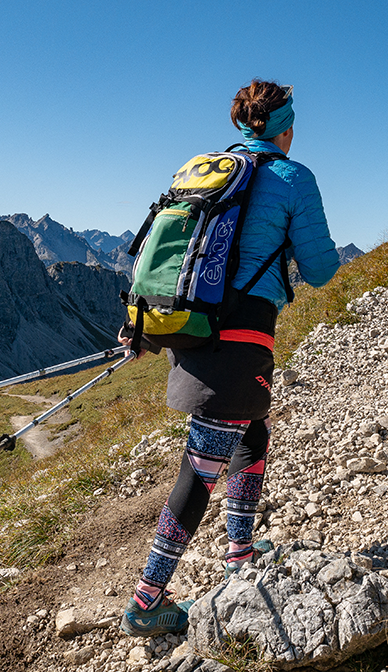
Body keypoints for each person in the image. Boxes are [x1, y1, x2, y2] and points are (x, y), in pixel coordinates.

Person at [119, 79, 340, 637]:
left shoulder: (207, 173)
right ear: (286, 127)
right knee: (202, 463)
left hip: (192, 326)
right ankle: (146, 600)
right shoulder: (293, 177)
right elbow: (320, 271)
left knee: (251, 432)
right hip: (243, 333)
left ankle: (240, 551)